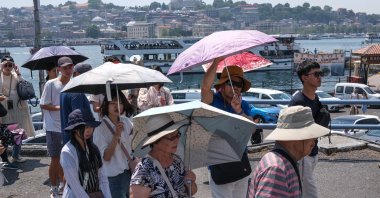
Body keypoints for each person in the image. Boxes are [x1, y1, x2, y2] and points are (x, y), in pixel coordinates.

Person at [248, 106, 330, 197]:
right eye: (311, 136)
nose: (313, 143)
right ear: (296, 138)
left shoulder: (283, 162)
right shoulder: (276, 169)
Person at [201, 58, 252, 198]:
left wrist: (239, 111)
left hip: (240, 161)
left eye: (239, 84)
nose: (235, 87)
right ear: (222, 85)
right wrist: (217, 61)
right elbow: (205, 87)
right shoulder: (213, 101)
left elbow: (252, 128)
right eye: (231, 83)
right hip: (219, 164)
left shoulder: (243, 105)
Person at [289, 61, 330, 198]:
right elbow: (289, 131)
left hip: (313, 151)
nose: (320, 77)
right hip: (302, 154)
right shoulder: (297, 101)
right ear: (304, 77)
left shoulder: (315, 97)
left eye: (321, 73)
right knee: (310, 192)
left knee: (302, 190)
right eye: (316, 74)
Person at [130, 114, 197, 197]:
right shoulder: (143, 171)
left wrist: (190, 183)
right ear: (155, 141)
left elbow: (191, 192)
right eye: (171, 137)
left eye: (177, 135)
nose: (176, 140)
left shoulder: (177, 161)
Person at [40, 56, 74, 197]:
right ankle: (53, 187)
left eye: (70, 66)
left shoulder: (74, 83)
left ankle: (63, 185)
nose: (68, 70)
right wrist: (61, 107)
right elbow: (43, 104)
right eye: (64, 67)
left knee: (67, 158)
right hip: (54, 127)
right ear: (58, 69)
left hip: (70, 126)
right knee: (55, 158)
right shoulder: (51, 84)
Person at [93, 89, 135, 198]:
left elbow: (133, 146)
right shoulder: (99, 129)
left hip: (129, 172)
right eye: (113, 103)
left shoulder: (126, 122)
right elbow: (106, 157)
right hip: (112, 178)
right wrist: (116, 136)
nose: (117, 106)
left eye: (120, 103)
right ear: (106, 105)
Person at [60, 109, 111, 198]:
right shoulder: (67, 152)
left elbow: (102, 177)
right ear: (75, 129)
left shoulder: (94, 148)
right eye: (86, 127)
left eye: (91, 127)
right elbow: (74, 185)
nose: (89, 130)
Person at [0, 55, 34, 164]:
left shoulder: (15, 75)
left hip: (18, 107)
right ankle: (4, 158)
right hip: (4, 108)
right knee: (4, 132)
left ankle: (16, 155)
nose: (8, 67)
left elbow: (24, 86)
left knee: (19, 131)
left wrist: (18, 73)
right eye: (6, 65)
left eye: (10, 65)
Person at [60, 63, 92, 144]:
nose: (90, 78)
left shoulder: (66, 89)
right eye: (87, 75)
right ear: (77, 74)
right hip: (77, 140)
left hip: (68, 138)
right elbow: (78, 121)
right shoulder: (77, 93)